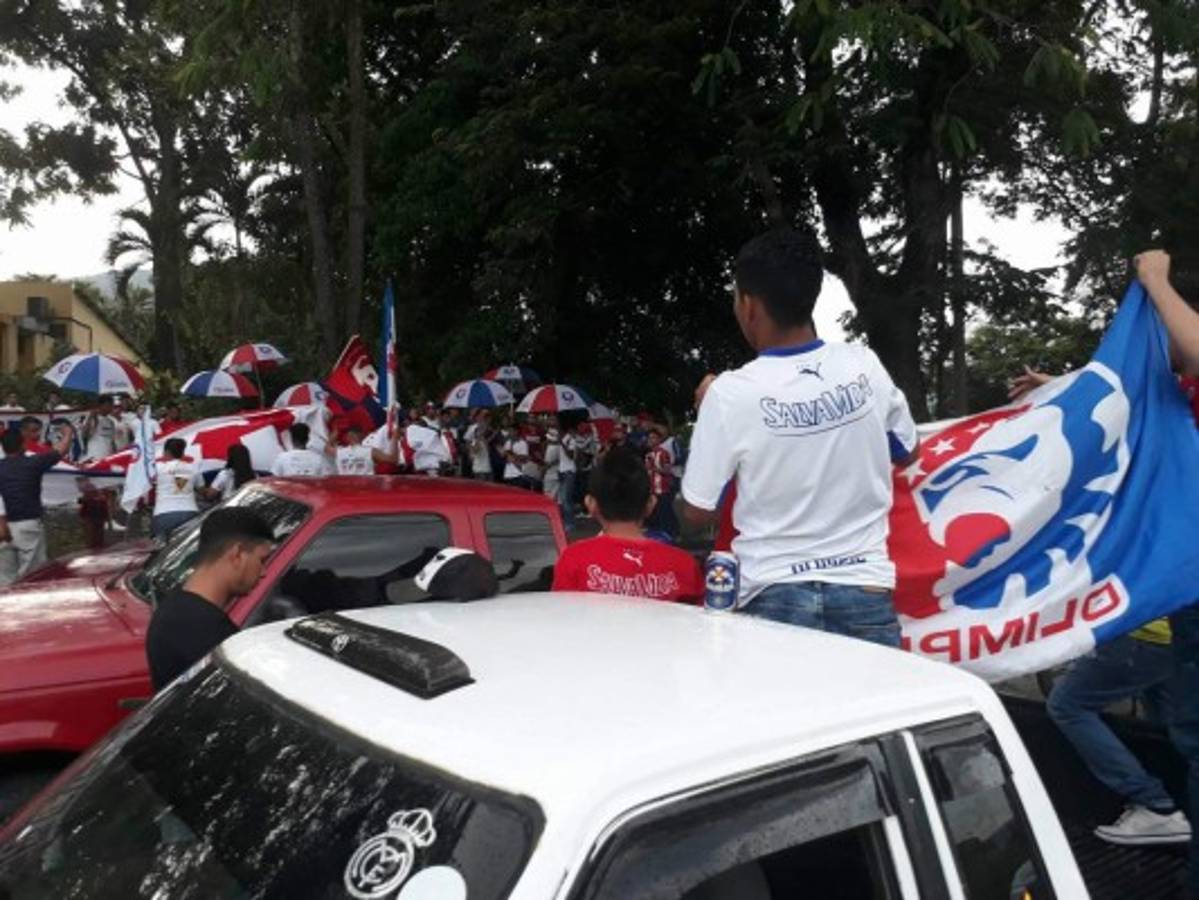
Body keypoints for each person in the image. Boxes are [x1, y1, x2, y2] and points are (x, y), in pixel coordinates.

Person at [680, 227, 919, 646]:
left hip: (772, 598)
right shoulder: (863, 365)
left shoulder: (730, 394)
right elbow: (909, 452)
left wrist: (709, 417)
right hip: (865, 592)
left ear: (749, 305)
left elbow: (698, 511)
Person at [1046, 619, 1189, 846]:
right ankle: (1182, 798)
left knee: (1068, 705)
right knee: (1168, 719)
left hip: (1141, 631)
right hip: (1176, 630)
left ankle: (1156, 805)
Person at [144, 507, 275, 690]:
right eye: (261, 560)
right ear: (237, 554)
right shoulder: (213, 637)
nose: (263, 572)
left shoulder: (169, 611)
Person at [552, 446, 703, 603]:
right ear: (650, 504)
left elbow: (563, 619)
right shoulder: (684, 564)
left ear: (590, 504)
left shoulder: (573, 559)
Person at [0, 422, 75, 585]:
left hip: (2, 527)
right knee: (33, 578)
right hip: (28, 527)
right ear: (22, 445)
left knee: (4, 580)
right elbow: (60, 451)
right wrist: (68, 433)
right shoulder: (32, 463)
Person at [152, 437, 201, 539]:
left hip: (163, 514)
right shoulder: (193, 468)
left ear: (167, 452)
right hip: (190, 512)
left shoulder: (157, 468)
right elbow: (202, 489)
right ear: (182, 452)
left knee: (162, 551)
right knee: (186, 550)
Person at [644, 428, 677, 539]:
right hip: (652, 489)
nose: (651, 440)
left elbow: (667, 470)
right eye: (649, 438)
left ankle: (671, 535)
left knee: (665, 513)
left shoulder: (663, 453)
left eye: (653, 438)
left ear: (659, 439)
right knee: (655, 514)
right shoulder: (648, 455)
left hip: (663, 488)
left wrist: (654, 468)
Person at [77, 477, 111, 550]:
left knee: (98, 531)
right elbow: (82, 502)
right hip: (91, 515)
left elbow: (104, 506)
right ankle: (93, 546)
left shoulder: (99, 495)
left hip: (97, 515)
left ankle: (98, 545)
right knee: (92, 532)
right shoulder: (88, 494)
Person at [82, 395, 118, 460]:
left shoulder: (111, 422)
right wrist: (91, 417)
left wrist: (115, 455)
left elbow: (112, 441)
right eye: (108, 405)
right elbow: (85, 435)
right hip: (94, 457)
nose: (111, 408)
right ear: (101, 405)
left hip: (107, 457)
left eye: (112, 405)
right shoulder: (91, 418)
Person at [557, 421, 579, 526]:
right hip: (562, 471)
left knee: (566, 499)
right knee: (563, 498)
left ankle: (570, 523)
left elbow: (570, 455)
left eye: (558, 430)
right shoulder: (564, 439)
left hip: (569, 472)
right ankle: (566, 521)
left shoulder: (572, 440)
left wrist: (561, 443)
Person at [465, 410, 494, 480]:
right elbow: (473, 449)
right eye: (481, 429)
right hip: (479, 469)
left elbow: (489, 450)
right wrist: (478, 438)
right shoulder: (474, 438)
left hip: (488, 468)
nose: (483, 430)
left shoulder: (485, 438)